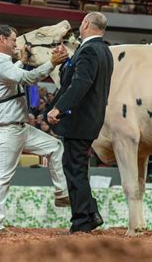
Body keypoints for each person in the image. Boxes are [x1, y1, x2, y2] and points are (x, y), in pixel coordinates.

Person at [0, 24, 69, 233]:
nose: (15, 43)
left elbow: (13, 73)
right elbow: (27, 78)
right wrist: (51, 63)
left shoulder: (0, 63)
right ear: (1, 39)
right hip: (6, 129)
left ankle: (62, 193)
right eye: (13, 39)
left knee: (55, 146)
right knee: (3, 176)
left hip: (19, 128)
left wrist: (22, 60)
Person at [47, 12, 114, 233]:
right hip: (90, 119)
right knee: (76, 168)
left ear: (85, 24)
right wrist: (67, 61)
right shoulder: (103, 50)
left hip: (79, 120)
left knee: (74, 169)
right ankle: (90, 214)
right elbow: (81, 78)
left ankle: (83, 220)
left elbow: (80, 84)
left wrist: (59, 107)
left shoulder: (89, 50)